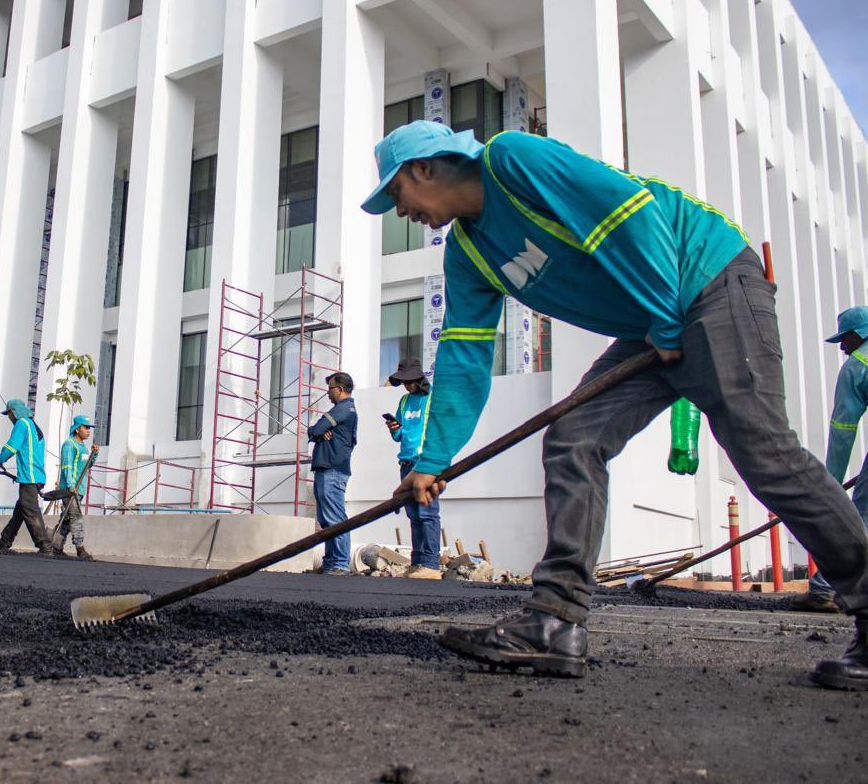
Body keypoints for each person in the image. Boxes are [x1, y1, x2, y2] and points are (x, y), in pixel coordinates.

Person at [362, 120, 868, 689]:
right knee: (574, 437)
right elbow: (463, 358)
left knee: (764, 455)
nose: (400, 212)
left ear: (424, 169)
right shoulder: (468, 254)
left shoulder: (512, 159)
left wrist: (664, 313)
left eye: (397, 193)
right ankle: (554, 624)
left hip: (706, 279)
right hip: (653, 323)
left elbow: (630, 211)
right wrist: (432, 458)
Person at [790, 307, 868, 614]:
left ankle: (823, 588)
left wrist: (831, 484)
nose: (841, 347)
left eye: (844, 338)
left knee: (858, 519)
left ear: (858, 333)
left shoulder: (857, 366)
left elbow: (843, 430)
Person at [384, 357, 438, 579]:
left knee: (427, 512)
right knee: (414, 515)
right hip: (405, 461)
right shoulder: (405, 401)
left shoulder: (433, 398)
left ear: (418, 379)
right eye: (403, 382)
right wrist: (393, 427)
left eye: (409, 381)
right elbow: (399, 435)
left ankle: (431, 564)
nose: (406, 386)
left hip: (423, 461)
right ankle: (418, 563)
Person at [307, 372, 358, 575]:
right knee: (327, 518)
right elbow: (315, 431)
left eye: (330, 389)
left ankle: (339, 563)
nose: (328, 393)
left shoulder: (343, 410)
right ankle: (331, 562)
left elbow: (317, 429)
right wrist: (317, 432)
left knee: (334, 517)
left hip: (332, 470)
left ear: (340, 389)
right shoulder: (342, 411)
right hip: (328, 469)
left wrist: (318, 431)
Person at [0, 398, 53, 555]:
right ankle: (4, 541)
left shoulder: (22, 424)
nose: (9, 418)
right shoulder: (33, 425)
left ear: (14, 412)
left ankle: (45, 545)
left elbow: (11, 447)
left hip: (29, 476)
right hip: (36, 475)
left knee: (30, 511)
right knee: (20, 511)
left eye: (9, 414)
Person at [50, 415, 98, 560]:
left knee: (67, 519)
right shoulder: (69, 445)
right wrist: (71, 485)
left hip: (79, 489)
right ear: (77, 429)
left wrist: (94, 455)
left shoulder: (83, 447)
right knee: (76, 518)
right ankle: (80, 549)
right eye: (86, 427)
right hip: (69, 490)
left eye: (89, 428)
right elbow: (67, 466)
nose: (88, 431)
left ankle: (56, 547)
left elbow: (87, 466)